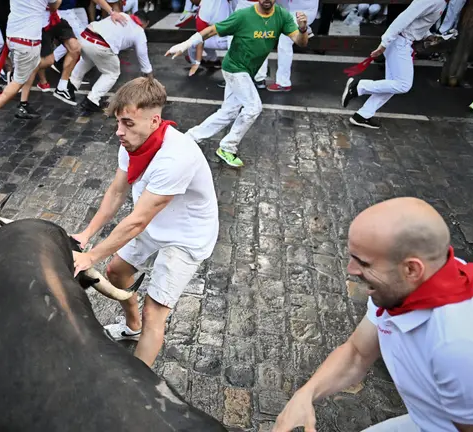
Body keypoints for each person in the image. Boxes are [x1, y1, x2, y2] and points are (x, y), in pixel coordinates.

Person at [273, 197, 473, 432]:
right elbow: (357, 353)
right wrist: (305, 394)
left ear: (412, 269)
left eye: (364, 263)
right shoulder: (407, 285)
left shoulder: (462, 348)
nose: (351, 270)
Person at [70, 77, 219, 368]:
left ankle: (136, 386)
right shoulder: (131, 143)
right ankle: (132, 326)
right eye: (118, 122)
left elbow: (136, 221)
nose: (119, 132)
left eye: (128, 123)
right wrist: (86, 235)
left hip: (185, 236)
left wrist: (90, 257)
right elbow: (116, 191)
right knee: (115, 272)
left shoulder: (176, 156)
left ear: (154, 120)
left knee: (156, 312)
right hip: (155, 222)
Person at [165, 0, 308, 168]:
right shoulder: (243, 15)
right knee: (254, 107)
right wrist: (185, 45)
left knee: (228, 111)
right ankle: (227, 147)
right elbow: (212, 30)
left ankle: (190, 138)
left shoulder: (281, 15)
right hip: (234, 68)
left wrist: (303, 29)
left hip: (248, 71)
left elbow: (301, 42)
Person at [0, 0, 128, 127]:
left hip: (14, 36)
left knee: (46, 61)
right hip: (27, 41)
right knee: (19, 80)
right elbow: (55, 5)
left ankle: (32, 95)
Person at [340, 0, 446, 129]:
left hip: (402, 42)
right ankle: (359, 87)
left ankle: (362, 115)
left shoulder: (441, 2)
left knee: (392, 84)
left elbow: (419, 22)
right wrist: (385, 43)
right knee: (403, 85)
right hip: (400, 42)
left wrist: (428, 35)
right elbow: (404, 18)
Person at [70, 10, 151, 112]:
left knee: (88, 59)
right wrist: (149, 75)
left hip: (85, 37)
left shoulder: (122, 15)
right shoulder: (139, 31)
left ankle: (71, 85)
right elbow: (142, 55)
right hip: (100, 45)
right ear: (146, 23)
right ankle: (92, 100)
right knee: (112, 73)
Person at [255, 0, 318, 91]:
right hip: (287, 10)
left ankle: (283, 83)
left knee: (284, 41)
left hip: (302, 12)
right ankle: (259, 78)